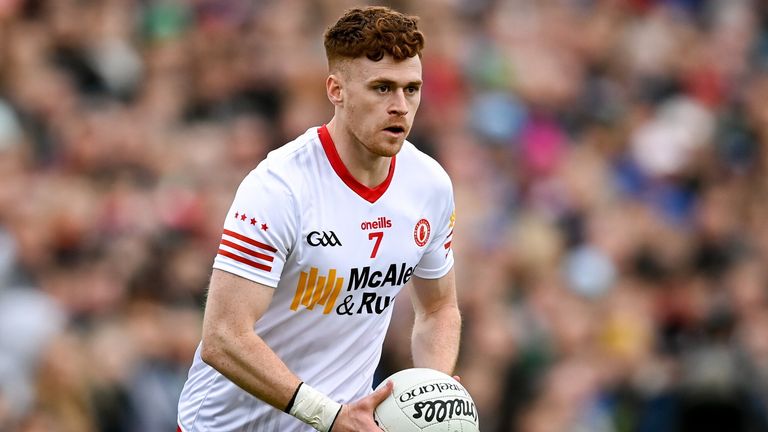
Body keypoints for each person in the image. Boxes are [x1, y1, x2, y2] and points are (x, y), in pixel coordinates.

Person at [176, 6, 461, 432]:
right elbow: (224, 337)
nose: (400, 106)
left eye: (412, 89)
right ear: (336, 90)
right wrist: (327, 415)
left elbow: (438, 308)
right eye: (382, 88)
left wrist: (431, 394)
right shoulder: (280, 187)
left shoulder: (429, 185)